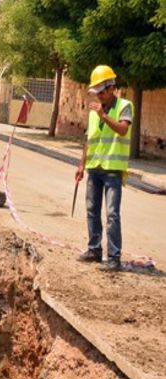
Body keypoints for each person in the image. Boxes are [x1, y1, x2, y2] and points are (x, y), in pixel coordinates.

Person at [75, 65, 133, 272]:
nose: (98, 96)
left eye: (101, 91)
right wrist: (82, 164)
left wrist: (104, 116)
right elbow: (89, 140)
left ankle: (114, 257)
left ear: (111, 88)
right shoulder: (94, 112)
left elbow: (123, 130)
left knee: (112, 214)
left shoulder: (125, 106)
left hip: (113, 170)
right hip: (94, 168)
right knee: (92, 210)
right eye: (96, 92)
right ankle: (94, 250)